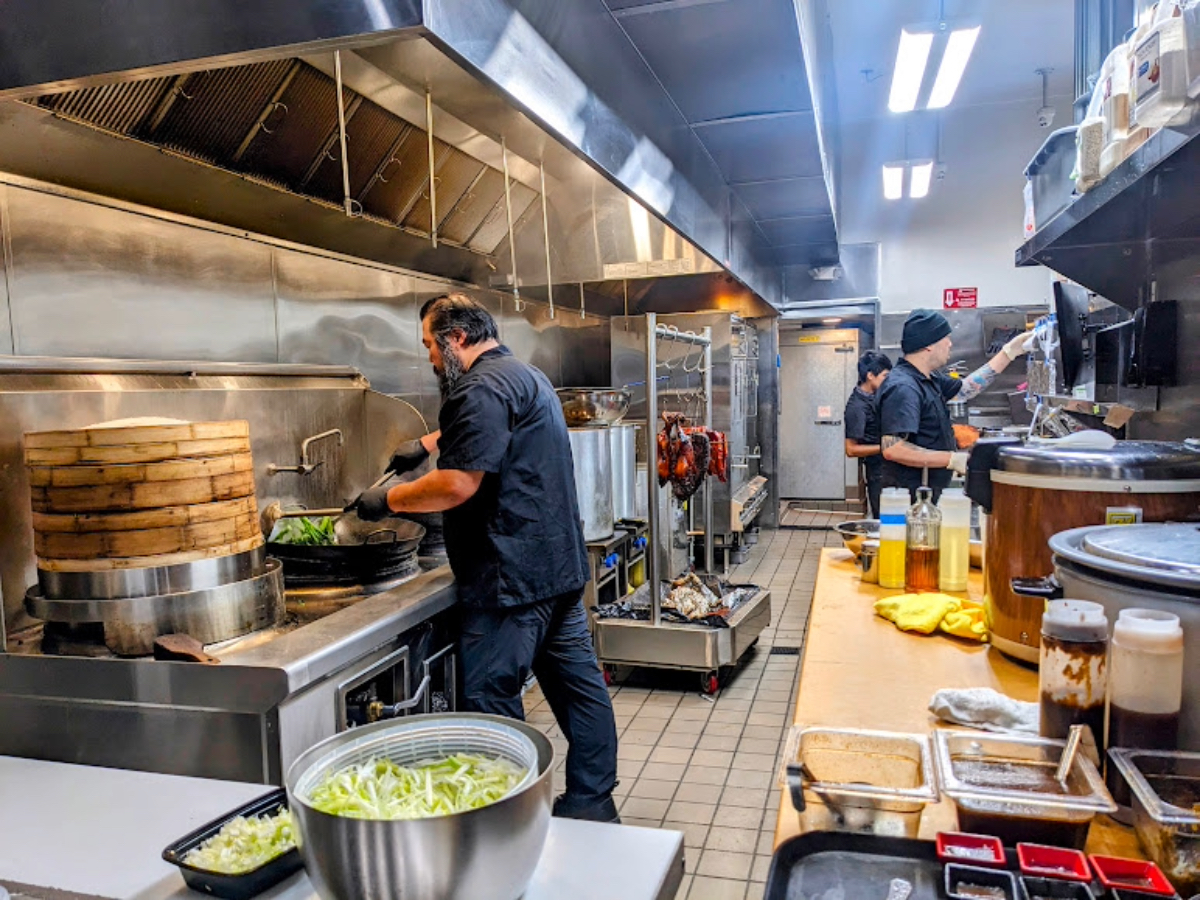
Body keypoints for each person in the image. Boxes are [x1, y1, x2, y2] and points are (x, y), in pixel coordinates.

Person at [348, 293, 620, 823]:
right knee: (579, 690)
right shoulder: (525, 374)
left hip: (509, 580)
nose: (429, 357)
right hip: (558, 568)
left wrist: (389, 500)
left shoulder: (474, 388)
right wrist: (425, 443)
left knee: (488, 700)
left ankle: (512, 818)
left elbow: (455, 485)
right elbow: (494, 423)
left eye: (429, 345)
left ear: (455, 339)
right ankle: (592, 802)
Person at [880, 309, 1034, 501]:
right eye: (947, 338)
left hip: (931, 491)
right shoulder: (903, 387)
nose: (950, 344)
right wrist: (952, 459)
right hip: (912, 499)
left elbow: (966, 389)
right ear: (929, 344)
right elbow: (893, 449)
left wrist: (1008, 353)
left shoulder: (929, 378)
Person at [844, 350, 892, 519]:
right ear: (870, 375)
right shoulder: (857, 407)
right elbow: (851, 449)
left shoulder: (876, 396)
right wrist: (886, 447)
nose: (888, 381)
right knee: (886, 522)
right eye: (885, 376)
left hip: (891, 469)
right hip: (878, 472)